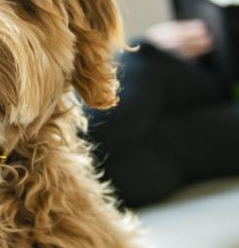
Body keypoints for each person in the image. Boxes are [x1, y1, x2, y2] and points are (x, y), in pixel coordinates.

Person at [87, 19, 239, 208]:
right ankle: (60, 157)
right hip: (212, 74)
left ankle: (56, 157)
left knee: (149, 152)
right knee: (145, 60)